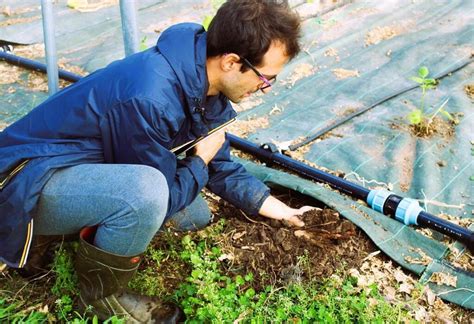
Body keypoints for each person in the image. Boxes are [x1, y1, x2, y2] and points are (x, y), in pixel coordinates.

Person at [0, 0, 313, 321]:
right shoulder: (151, 96)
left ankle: (59, 236)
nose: (266, 89)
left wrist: (278, 208)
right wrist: (198, 163)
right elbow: (159, 194)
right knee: (146, 196)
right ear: (232, 62)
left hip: (65, 170)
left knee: (192, 213)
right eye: (266, 77)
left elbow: (218, 162)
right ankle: (99, 300)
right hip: (22, 185)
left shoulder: (200, 77)